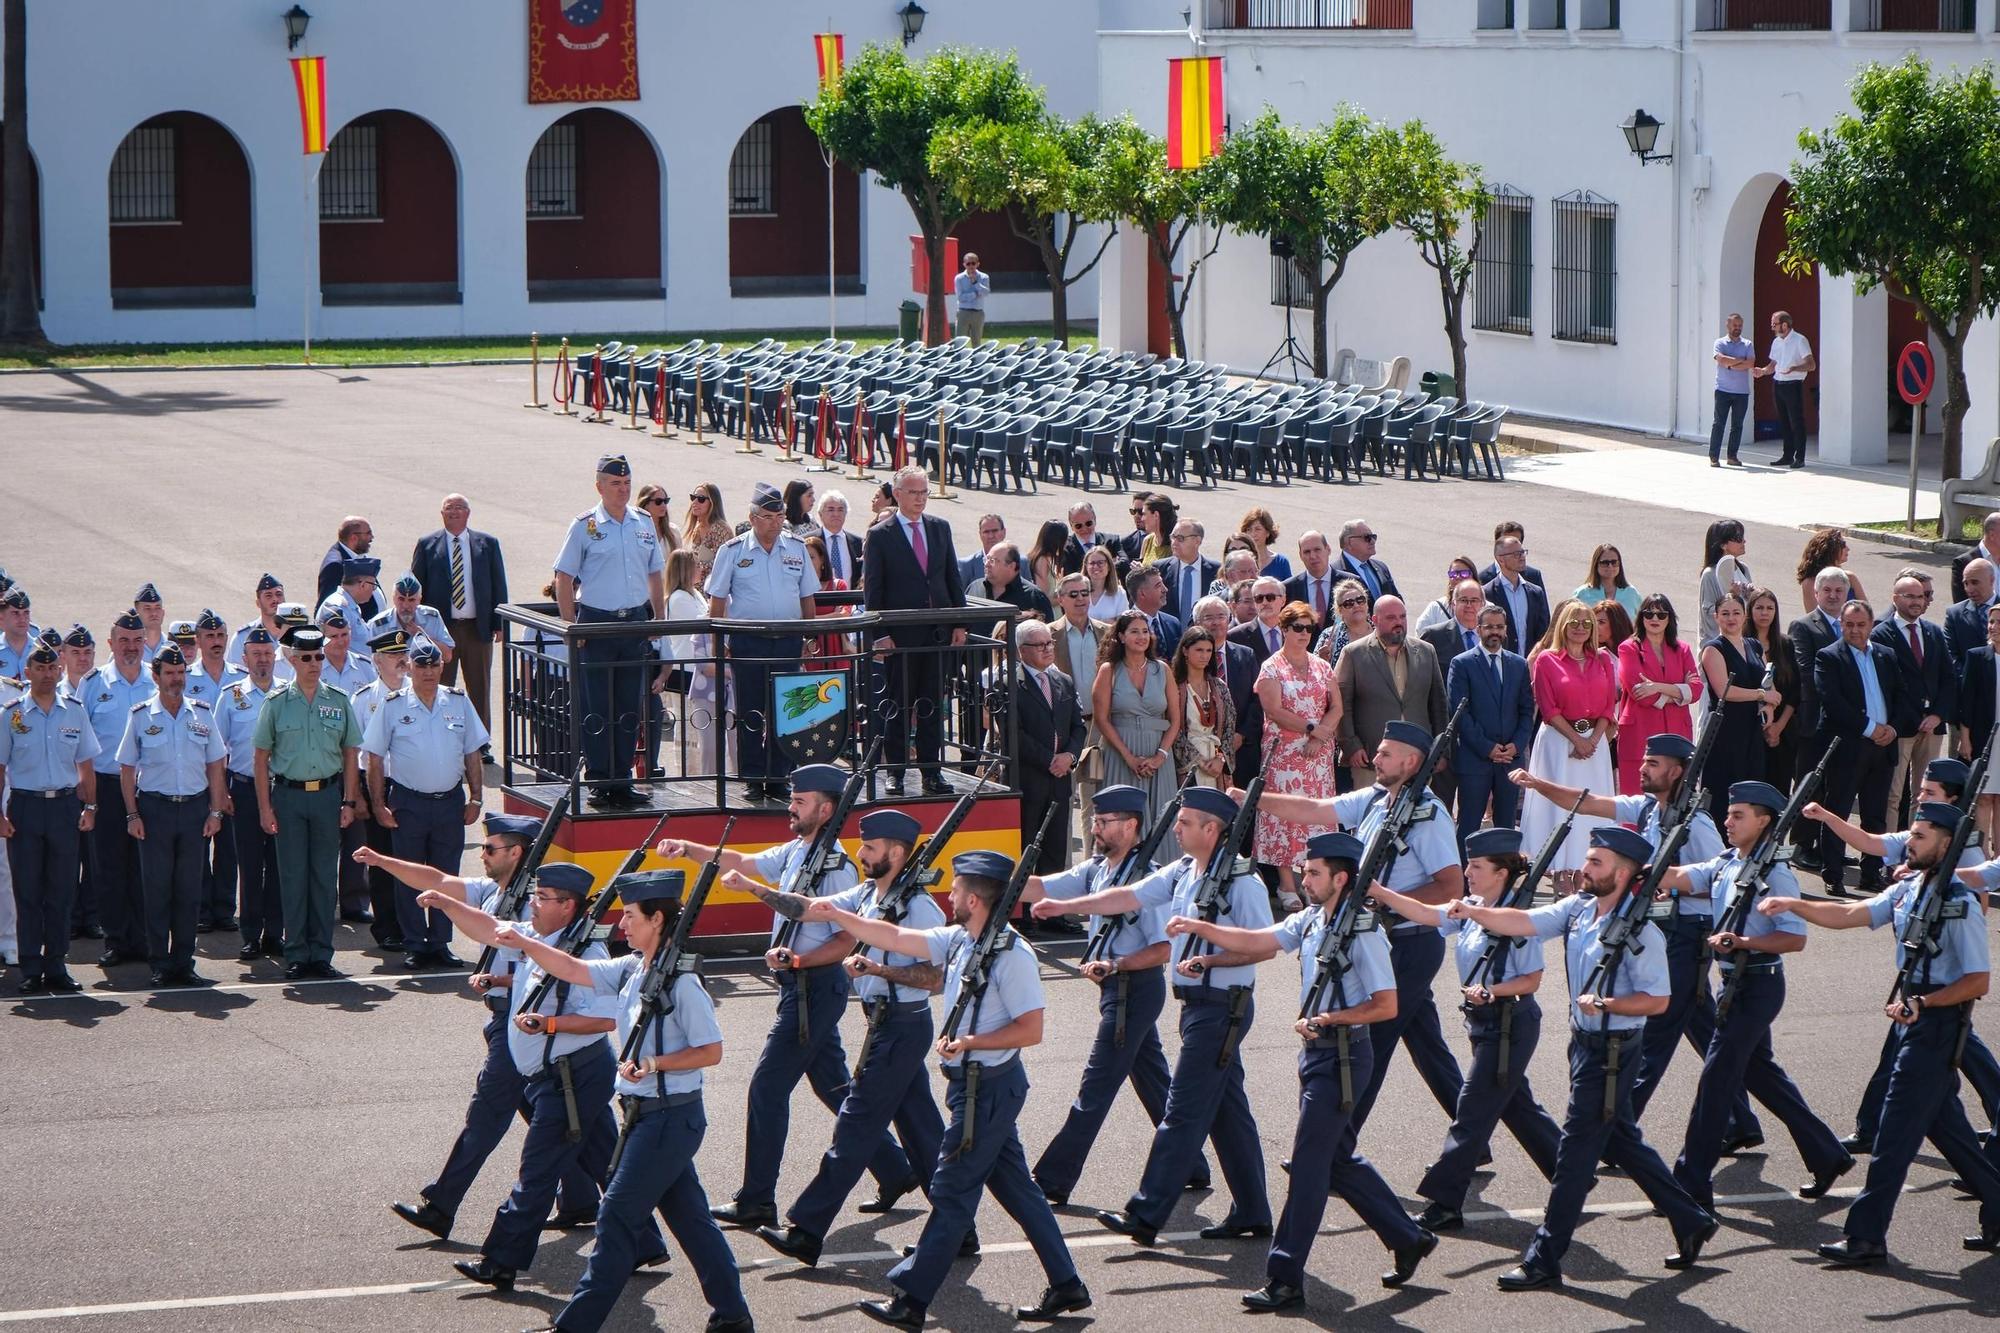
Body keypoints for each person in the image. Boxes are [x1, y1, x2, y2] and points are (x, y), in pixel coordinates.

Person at [812, 849, 1090, 1329]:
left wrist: (971, 1041)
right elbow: (899, 936)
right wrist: (840, 916)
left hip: (989, 1088)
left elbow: (1031, 1030)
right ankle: (1067, 1284)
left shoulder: (1012, 955)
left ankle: (911, 1299)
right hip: (973, 1086)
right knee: (1018, 1190)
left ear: (977, 900)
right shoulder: (964, 939)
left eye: (959, 889)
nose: (951, 895)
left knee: (952, 1190)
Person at [1167, 830, 1437, 1312]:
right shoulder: (1314, 920)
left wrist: (1332, 1018)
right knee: (1335, 1159)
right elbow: (1259, 939)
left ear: (1342, 878)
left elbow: (1386, 1005)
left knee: (1309, 1166)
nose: (1304, 879)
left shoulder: (1365, 932)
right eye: (1306, 871)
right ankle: (1407, 1236)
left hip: (1343, 1058)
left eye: (1314, 873)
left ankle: (1285, 1276)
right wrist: (1201, 928)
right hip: (1316, 1055)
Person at [1456, 827, 1722, 1290]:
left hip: (1613, 1052)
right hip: (1584, 1044)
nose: (1585, 868)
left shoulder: (1640, 931)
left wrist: (1608, 1004)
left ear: (1622, 874)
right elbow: (1524, 923)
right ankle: (1690, 1216)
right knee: (1619, 1139)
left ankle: (1544, 1256)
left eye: (1596, 862)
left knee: (1575, 1154)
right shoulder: (1579, 910)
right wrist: (1472, 913)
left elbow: (1657, 1001)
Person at [660, 764, 913, 1229]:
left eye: (800, 801)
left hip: (813, 989)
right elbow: (744, 862)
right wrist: (688, 849)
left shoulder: (836, 868)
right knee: (834, 1086)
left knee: (767, 1089)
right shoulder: (799, 851)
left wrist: (797, 962)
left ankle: (757, 1199)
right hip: (797, 989)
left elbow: (844, 941)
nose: (790, 807)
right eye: (792, 799)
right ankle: (896, 1169)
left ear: (826, 809)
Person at [504, 868, 751, 1333]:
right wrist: (523, 941)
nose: (622, 925)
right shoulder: (634, 969)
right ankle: (734, 1317)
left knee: (615, 1218)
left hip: (669, 1119)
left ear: (657, 920)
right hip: (644, 1117)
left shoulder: (682, 984)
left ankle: (574, 1325)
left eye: (631, 916)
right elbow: (573, 968)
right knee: (693, 1222)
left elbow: (711, 1051)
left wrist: (655, 1064)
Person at [1759, 803, 2000, 1266]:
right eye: (1911, 834)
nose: (1910, 843)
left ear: (1948, 845)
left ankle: (1866, 1237)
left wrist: (1925, 1004)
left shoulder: (1959, 902)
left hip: (1937, 1022)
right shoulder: (1911, 890)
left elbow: (1978, 981)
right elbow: (1852, 914)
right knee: (1944, 1126)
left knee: (1893, 1136)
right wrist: (1795, 904)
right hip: (1914, 1017)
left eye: (1922, 836)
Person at [1032, 788, 1272, 1251]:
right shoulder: (1183, 871)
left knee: (1180, 1113)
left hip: (1222, 1006)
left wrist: (1209, 958)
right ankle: (1253, 1210)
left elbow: (1264, 944)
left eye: (1185, 823)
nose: (1176, 830)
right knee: (1228, 1113)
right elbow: (1127, 896)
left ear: (1212, 829)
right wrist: (1065, 907)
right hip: (1196, 1006)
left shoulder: (1243, 881)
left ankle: (1145, 1214)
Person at [370, 814, 602, 1246]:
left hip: (525, 1026)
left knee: (487, 1117)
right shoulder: (495, 893)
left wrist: (500, 981)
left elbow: (551, 974)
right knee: (558, 1121)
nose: (482, 855)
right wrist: (382, 860)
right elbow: (436, 879)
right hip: (508, 1021)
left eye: (490, 848)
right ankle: (582, 1198)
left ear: (516, 852)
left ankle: (442, 1206)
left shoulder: (542, 911)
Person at [415, 863, 646, 1294]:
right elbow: (490, 928)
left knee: (537, 1171)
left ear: (568, 906)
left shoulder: (588, 954)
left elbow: (603, 1019)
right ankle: (644, 1243)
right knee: (602, 1161)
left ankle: (500, 1260)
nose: (533, 904)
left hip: (572, 1077)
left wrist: (550, 1025)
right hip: (554, 1075)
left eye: (542, 898)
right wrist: (445, 903)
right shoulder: (539, 936)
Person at [751, 809, 949, 1272]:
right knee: (922, 1131)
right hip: (882, 1023)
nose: (860, 855)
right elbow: (807, 907)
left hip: (902, 1025)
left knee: (855, 1125)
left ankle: (806, 1230)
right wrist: (756, 889)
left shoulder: (917, 907)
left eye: (871, 849)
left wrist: (878, 970)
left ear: (897, 854)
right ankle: (958, 1228)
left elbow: (934, 978)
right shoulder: (868, 892)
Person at [1260, 721, 1466, 1145]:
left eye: (1386, 753)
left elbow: (1450, 886)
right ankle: (1472, 1134)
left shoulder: (1428, 814)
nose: (1376, 759)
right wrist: (1251, 800)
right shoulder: (1377, 800)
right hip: (1387, 938)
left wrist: (1380, 897)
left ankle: (1336, 1144)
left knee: (1370, 1039)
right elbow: (1315, 810)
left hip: (1410, 942)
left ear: (1411, 762)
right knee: (1427, 1044)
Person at [1653, 782, 1854, 1210]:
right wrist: (1632, 868)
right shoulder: (1728, 863)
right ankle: (1827, 1153)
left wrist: (1742, 942)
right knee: (1761, 1075)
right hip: (1734, 985)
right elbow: (1681, 877)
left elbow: (1793, 939)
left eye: (1738, 815)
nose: (1727, 822)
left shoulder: (1775, 873)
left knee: (1716, 1080)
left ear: (1765, 822)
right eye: (1728, 814)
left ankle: (1690, 1182)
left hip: (1758, 986)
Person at [1019, 785, 1213, 1206]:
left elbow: (1165, 948)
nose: (1095, 829)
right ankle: (1190, 1164)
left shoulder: (1149, 880)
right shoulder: (1097, 870)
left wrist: (1118, 965)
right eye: (1093, 820)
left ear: (1131, 826)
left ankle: (1053, 1178)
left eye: (1104, 823)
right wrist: (995, 882)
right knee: (1154, 1082)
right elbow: (1044, 887)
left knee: (1096, 1087)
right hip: (1114, 990)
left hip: (1133, 990)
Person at [1368, 828, 1561, 1232]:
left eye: (1476, 866)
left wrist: (1492, 991)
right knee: (1517, 1105)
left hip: (1510, 1023)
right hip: (1485, 1022)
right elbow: (1427, 914)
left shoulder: (1516, 917)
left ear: (1501, 873)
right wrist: (1381, 892)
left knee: (1471, 1113)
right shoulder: (1472, 906)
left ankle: (1445, 1200)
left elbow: (1532, 979)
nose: (1467, 872)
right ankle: (1570, 1171)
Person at [363, 638, 486, 968]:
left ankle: (441, 942)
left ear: (441, 666)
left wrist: (476, 796)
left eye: (434, 665)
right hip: (409, 802)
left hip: (449, 803)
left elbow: (473, 752)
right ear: (409, 667)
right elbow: (373, 757)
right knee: (410, 876)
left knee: (447, 876)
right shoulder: (393, 705)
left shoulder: (458, 702)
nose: (428, 671)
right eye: (421, 665)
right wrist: (377, 804)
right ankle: (416, 942)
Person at [555, 454, 667, 809]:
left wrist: (659, 620)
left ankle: (623, 778)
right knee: (598, 706)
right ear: (599, 486)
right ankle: (601, 780)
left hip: (634, 621)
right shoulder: (585, 525)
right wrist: (572, 625)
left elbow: (655, 574)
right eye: (615, 483)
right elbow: (564, 578)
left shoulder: (643, 522)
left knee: (629, 706)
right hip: (597, 623)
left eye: (627, 483)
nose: (623, 489)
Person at [252, 625, 362, 982]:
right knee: (293, 876)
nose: (314, 663)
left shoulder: (338, 700)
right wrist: (265, 808)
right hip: (289, 796)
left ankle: (321, 953)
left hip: (327, 796)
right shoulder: (277, 703)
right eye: (307, 658)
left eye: (318, 657)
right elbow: (260, 758)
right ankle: (296, 952)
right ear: (293, 660)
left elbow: (350, 754)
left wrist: (348, 801)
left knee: (323, 877)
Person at [117, 645, 226, 988]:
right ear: (156, 676)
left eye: (181, 674)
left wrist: (216, 810)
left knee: (189, 890)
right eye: (169, 674)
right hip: (155, 809)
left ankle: (183, 961)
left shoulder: (202, 714)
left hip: (194, 809)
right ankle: (159, 962)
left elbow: (215, 766)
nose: (176, 680)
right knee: (158, 888)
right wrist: (132, 814)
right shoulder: (140, 715)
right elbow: (126, 769)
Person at [706, 481, 819, 803]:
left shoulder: (796, 548)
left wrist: (808, 636)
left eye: (780, 515)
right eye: (769, 516)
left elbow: (806, 597)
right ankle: (754, 777)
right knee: (750, 712)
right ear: (754, 517)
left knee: (787, 711)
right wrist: (721, 643)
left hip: (787, 641)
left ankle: (779, 775)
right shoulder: (734, 550)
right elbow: (717, 602)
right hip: (749, 641)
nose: (776, 522)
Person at [862, 467, 967, 798]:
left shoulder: (939, 528)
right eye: (914, 492)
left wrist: (959, 622)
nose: (920, 498)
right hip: (901, 636)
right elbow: (874, 591)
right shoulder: (881, 534)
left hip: (936, 633)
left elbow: (951, 577)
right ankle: (895, 772)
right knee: (899, 705)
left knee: (933, 705)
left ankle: (931, 772)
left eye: (924, 492)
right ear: (897, 494)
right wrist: (880, 633)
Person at [0, 641, 98, 994]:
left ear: (59, 672)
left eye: (51, 669)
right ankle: (30, 966)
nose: (46, 675)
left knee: (60, 890)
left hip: (63, 808)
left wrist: (90, 807)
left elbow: (86, 765)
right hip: (25, 808)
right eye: (38, 669)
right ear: (26, 673)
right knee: (27, 891)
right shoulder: (11, 714)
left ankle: (56, 964)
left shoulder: (74, 710)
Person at [1815, 601, 1908, 897]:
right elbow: (1833, 703)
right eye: (1849, 625)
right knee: (1838, 812)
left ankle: (1871, 874)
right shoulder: (1829, 657)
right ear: (1841, 625)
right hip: (1849, 748)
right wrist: (1871, 728)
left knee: (1875, 815)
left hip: (1883, 748)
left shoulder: (1886, 655)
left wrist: (1892, 729)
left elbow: (1901, 697)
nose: (1855, 630)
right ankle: (1833, 874)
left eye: (1861, 624)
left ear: (1871, 625)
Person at [1519, 600, 1618, 871]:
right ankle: (1559, 871)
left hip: (1595, 745)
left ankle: (1589, 866)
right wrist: (1577, 740)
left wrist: (1593, 741)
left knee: (1592, 806)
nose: (1580, 628)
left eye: (1587, 623)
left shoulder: (1604, 659)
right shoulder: (1547, 660)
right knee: (1558, 806)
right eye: (1573, 622)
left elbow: (1609, 706)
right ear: (1563, 625)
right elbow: (1548, 709)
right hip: (1559, 741)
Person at [80, 611, 155, 971]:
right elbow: (80, 740)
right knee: (109, 868)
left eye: (137, 640)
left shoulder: (155, 679)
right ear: (110, 644)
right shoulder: (94, 683)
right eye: (123, 641)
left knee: (145, 868)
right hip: (107, 786)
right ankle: (116, 940)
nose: (131, 648)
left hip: (147, 787)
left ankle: (144, 939)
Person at [1254, 602, 1341, 909]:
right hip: (1284, 755)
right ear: (1284, 629)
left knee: (1315, 817)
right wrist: (1310, 728)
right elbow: (1273, 710)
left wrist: (1320, 734)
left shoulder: (1322, 665)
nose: (1304, 634)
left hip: (1317, 756)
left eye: (1308, 628)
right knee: (1285, 817)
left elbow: (1336, 706)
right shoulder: (1271, 667)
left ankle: (1313, 881)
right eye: (1297, 628)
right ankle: (1287, 885)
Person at [410, 495, 509, 735]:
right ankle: (441, 735)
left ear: (468, 512)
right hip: (441, 631)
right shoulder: (427, 544)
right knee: (439, 685)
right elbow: (416, 586)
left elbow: (499, 585)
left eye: (459, 507)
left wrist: (499, 624)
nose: (454, 512)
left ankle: (481, 740)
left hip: (478, 629)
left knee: (479, 688)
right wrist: (415, 625)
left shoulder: (487, 543)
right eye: (449, 508)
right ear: (441, 513)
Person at [1333, 595, 1447, 796]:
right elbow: (1341, 703)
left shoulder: (1426, 651)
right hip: (1371, 759)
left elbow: (1438, 704)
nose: (1399, 623)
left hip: (1417, 758)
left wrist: (1441, 750)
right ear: (1374, 620)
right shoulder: (1353, 654)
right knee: (1372, 820)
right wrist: (1350, 745)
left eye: (1402, 617)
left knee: (1414, 822)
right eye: (1391, 618)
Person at [213, 628, 281, 961]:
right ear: (245, 659)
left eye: (267, 654)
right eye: (256, 654)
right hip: (243, 788)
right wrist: (222, 791)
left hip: (281, 789)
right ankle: (251, 935)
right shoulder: (231, 695)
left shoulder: (287, 693)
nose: (263, 660)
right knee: (250, 866)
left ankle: (276, 933)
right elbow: (216, 749)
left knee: (280, 864)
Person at [1447, 604, 1536, 846]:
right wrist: (1488, 748)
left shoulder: (1518, 665)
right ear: (1478, 629)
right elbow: (1459, 713)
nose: (1494, 632)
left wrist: (1516, 746)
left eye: (1499, 627)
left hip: (1510, 761)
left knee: (1506, 827)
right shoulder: (1462, 664)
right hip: (1475, 759)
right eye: (1488, 627)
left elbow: (1527, 710)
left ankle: (1503, 880)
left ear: (1505, 630)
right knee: (1469, 825)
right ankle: (1465, 881)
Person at [1873, 573, 1955, 829]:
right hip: (1900, 728)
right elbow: (1885, 686)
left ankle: (1916, 851)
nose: (1917, 602)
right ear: (1895, 598)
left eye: (1921, 596)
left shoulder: (1933, 632)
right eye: (1910, 596)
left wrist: (1937, 715)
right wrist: (1909, 718)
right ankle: (1886, 858)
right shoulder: (1881, 634)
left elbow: (1949, 679)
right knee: (1893, 795)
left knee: (1926, 795)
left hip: (1932, 728)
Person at [1091, 611, 1181, 839]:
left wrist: (1161, 755)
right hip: (1120, 753)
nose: (1141, 637)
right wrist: (1128, 757)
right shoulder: (1109, 670)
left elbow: (1176, 719)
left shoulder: (1162, 669)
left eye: (1145, 631)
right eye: (1134, 631)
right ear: (1121, 636)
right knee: (1120, 821)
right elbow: (1101, 719)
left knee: (1162, 821)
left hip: (1158, 755)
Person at [1012, 620, 1086, 875]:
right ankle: (1024, 914)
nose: (1047, 649)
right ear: (1022, 650)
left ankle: (1051, 912)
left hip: (1060, 780)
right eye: (1039, 644)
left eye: (1049, 643)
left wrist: (1070, 756)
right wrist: (1050, 760)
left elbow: (1079, 726)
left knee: (1055, 850)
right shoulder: (1010, 683)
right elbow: (1014, 733)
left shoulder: (1062, 680)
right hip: (1029, 780)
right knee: (1026, 849)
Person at [1699, 591, 1776, 821]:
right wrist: (1761, 694)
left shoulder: (1753, 645)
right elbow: (1724, 690)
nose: (1731, 618)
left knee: (1751, 795)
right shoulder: (1713, 649)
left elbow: (1766, 681)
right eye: (1725, 613)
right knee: (1724, 795)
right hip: (1725, 733)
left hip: (1751, 732)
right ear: (1716, 617)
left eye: (1736, 613)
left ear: (1744, 617)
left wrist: (1768, 705)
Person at [1617, 593, 1701, 795]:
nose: (1655, 619)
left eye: (1661, 615)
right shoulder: (1628, 648)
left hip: (1677, 733)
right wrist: (1680, 692)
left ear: (1669, 619)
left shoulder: (1683, 649)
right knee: (1636, 802)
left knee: (1675, 796)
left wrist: (1657, 686)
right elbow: (1641, 695)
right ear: (1641, 617)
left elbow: (1696, 690)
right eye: (1649, 614)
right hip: (1640, 735)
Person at [1050, 573, 1110, 833]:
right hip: (1065, 729)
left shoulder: (1106, 633)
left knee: (1094, 803)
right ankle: (1062, 868)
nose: (1080, 599)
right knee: (1061, 802)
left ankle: (1092, 866)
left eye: (1084, 593)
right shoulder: (1049, 635)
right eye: (1073, 594)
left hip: (1098, 727)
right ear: (1060, 599)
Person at [656, 547, 717, 779]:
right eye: (696, 565)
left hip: (696, 668)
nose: (701, 568)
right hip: (685, 669)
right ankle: (689, 773)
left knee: (699, 724)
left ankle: (701, 771)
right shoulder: (679, 598)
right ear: (685, 570)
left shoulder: (694, 593)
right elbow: (702, 623)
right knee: (689, 725)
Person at [1747, 586, 1801, 803]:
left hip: (1781, 735)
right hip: (1750, 731)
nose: (1764, 613)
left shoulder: (1785, 643)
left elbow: (1795, 691)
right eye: (1759, 607)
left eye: (1770, 608)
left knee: (1776, 797)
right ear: (1750, 611)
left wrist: (1778, 727)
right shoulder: (1741, 643)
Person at [1171, 626, 1235, 790]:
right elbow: (1173, 729)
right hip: (1187, 765)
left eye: (1208, 650)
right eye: (1199, 650)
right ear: (1185, 651)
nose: (1204, 655)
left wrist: (1220, 758)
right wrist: (1197, 760)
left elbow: (1228, 728)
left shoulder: (1219, 686)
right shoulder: (1174, 686)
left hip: (1215, 763)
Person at [1753, 308, 1815, 468]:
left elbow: (1811, 365)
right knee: (1784, 422)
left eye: (1775, 324)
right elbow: (1773, 364)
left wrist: (1794, 368)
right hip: (1778, 384)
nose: (1772, 327)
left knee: (1797, 422)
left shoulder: (1800, 340)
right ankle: (1787, 456)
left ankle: (1799, 457)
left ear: (1785, 325)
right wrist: (1763, 371)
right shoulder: (1777, 342)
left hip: (1793, 385)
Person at [1959, 604, 2000, 844]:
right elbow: (1967, 701)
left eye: (1999, 622)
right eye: (1991, 621)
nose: (1994, 627)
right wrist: (1965, 738)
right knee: (1983, 797)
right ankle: (1982, 854)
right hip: (1985, 738)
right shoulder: (1976, 657)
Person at [367, 573, 453, 670]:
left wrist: (423, 637)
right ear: (393, 598)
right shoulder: (378, 624)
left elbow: (447, 656)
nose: (406, 606)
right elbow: (369, 663)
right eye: (401, 599)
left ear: (419, 600)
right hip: (392, 682)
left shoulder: (432, 617)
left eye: (411, 600)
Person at [1484, 534, 1549, 657]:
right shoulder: (1487, 593)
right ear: (1501, 559)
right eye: (1516, 554)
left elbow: (1544, 632)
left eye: (1523, 552)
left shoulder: (1535, 592)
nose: (1522, 557)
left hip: (1531, 666)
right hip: (1501, 664)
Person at [968, 540, 1053, 626]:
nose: (986, 564)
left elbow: (1047, 633)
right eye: (986, 559)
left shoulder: (1034, 597)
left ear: (1012, 566)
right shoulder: (974, 588)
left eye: (992, 560)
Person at [1709, 311, 1755, 466]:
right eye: (1735, 325)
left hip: (1741, 392)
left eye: (1740, 325)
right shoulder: (1719, 343)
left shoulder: (1747, 344)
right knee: (1719, 424)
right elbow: (1720, 359)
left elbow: (1750, 363)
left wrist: (1730, 364)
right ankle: (1714, 457)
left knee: (1737, 425)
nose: (1737, 328)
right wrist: (1739, 361)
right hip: (1723, 390)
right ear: (1727, 325)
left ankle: (1732, 457)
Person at [1697, 518, 1753, 645]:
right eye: (1738, 538)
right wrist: (1731, 598)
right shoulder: (1710, 574)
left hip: (1741, 640)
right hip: (1718, 645)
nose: (1744, 541)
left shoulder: (1743, 569)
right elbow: (1708, 613)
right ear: (1723, 545)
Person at [1155, 519, 1217, 625]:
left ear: (1197, 541)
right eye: (1173, 537)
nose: (1174, 542)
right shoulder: (1160, 569)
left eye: (1180, 538)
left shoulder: (1216, 571)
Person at [1282, 529, 1341, 636]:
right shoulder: (1288, 588)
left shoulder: (1350, 583)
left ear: (1328, 549)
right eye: (1307, 552)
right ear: (1300, 555)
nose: (1312, 556)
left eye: (1317, 549)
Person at [1796, 527, 1867, 613]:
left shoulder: (1850, 578)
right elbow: (1814, 619)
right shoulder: (1810, 582)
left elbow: (1866, 612)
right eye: (1843, 544)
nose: (1848, 548)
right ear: (1829, 549)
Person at [1944, 556, 1994, 673]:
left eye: (1975, 582)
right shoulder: (1954, 614)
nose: (1969, 589)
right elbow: (1950, 655)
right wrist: (1968, 681)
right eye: (1966, 583)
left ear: (1991, 580)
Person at [1311, 577, 1373, 670]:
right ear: (1340, 611)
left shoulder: (1381, 631)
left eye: (1360, 600)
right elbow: (1314, 672)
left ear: (1367, 604)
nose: (1356, 605)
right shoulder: (1329, 635)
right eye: (1349, 603)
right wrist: (1322, 661)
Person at [1413, 556, 1481, 636]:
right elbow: (1420, 634)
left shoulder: (1487, 607)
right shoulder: (1436, 608)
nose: (1458, 577)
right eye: (1453, 574)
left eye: (1464, 573)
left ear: (1474, 578)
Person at [682, 481, 731, 588]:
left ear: (713, 503)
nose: (694, 502)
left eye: (701, 499)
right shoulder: (697, 529)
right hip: (696, 591)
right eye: (693, 497)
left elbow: (724, 566)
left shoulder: (720, 530)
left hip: (714, 592)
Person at [1574, 543, 1641, 620]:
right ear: (1596, 565)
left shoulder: (1631, 593)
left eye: (1614, 562)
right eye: (1605, 563)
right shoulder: (1582, 594)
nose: (1610, 566)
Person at [317, 515, 373, 605]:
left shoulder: (355, 555)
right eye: (368, 533)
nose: (372, 537)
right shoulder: (335, 566)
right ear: (354, 538)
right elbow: (328, 606)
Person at [1333, 518, 1393, 599]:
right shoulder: (1334, 573)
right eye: (1367, 537)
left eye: (1373, 537)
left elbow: (1396, 598)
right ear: (1350, 542)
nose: (1372, 541)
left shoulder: (1381, 567)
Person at [317, 556, 383, 630]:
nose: (373, 590)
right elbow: (339, 640)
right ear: (363, 585)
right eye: (373, 585)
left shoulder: (351, 606)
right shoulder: (339, 608)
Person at [818, 489, 864, 589]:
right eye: (831, 509)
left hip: (850, 600)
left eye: (840, 510)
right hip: (820, 600)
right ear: (820, 514)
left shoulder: (858, 542)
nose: (836, 514)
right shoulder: (810, 541)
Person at [1058, 501, 1118, 576]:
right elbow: (1069, 576)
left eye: (1088, 523)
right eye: (1078, 526)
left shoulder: (1112, 541)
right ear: (1071, 526)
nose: (1084, 529)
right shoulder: (1064, 548)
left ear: (1095, 520)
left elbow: (1124, 563)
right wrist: (1106, 565)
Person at [1025, 519, 1069, 601]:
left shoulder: (1049, 559)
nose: (1067, 542)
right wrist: (1067, 599)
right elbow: (1044, 598)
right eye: (1065, 539)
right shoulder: (1042, 560)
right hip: (1050, 611)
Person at [960, 513, 1006, 590]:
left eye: (995, 531)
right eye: (986, 532)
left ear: (1004, 532)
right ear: (980, 534)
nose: (991, 536)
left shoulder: (1021, 563)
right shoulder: (967, 566)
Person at [954, 250, 991, 344]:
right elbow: (960, 297)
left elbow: (986, 293)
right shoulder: (959, 278)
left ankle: (976, 359)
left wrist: (975, 283)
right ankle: (960, 358)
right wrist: (975, 294)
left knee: (976, 342)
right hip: (963, 312)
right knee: (959, 342)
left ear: (978, 264)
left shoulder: (984, 277)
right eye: (968, 263)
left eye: (973, 263)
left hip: (978, 313)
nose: (971, 266)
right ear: (964, 264)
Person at [1082, 545, 1126, 623]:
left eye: (1100, 563)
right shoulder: (1079, 591)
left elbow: (1123, 624)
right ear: (1086, 567)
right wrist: (1107, 622)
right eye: (1092, 563)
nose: (1095, 566)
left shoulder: (1119, 593)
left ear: (1109, 566)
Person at [1136, 493, 1176, 567]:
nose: (1142, 519)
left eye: (1144, 514)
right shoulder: (1148, 540)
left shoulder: (1175, 545)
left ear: (1156, 515)